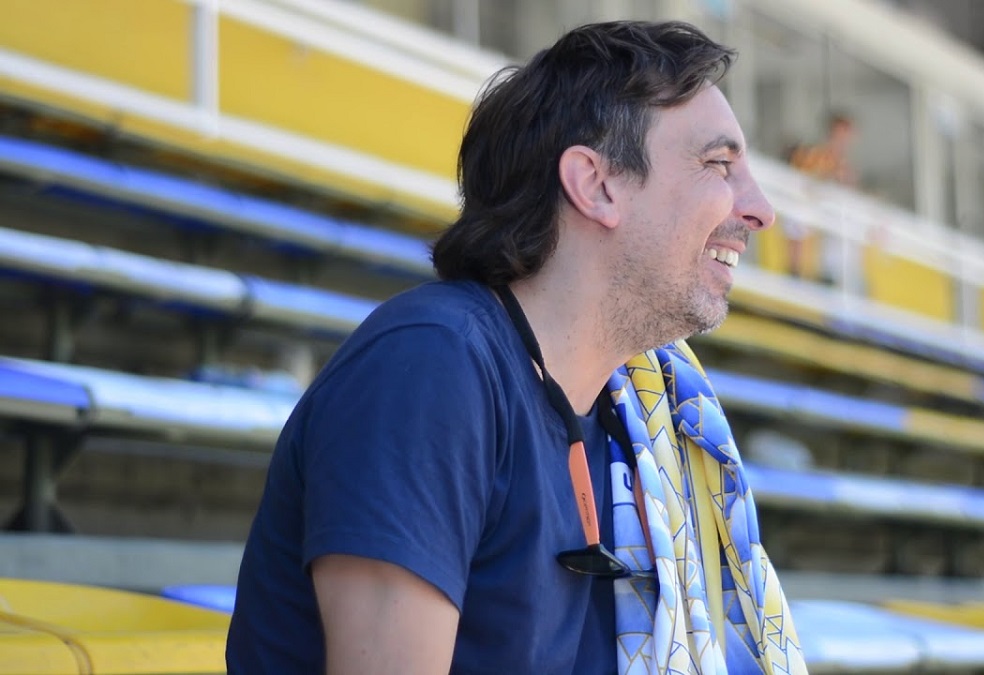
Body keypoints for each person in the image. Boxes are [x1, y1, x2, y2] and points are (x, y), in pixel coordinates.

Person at [226, 20, 806, 674]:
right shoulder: (432, 366)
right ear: (596, 184)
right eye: (719, 165)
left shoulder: (635, 414)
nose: (760, 209)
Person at [784, 113, 857, 282]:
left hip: (830, 211)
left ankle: (830, 275)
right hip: (811, 203)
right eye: (840, 133)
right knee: (798, 216)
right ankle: (795, 271)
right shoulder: (814, 154)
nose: (843, 140)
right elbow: (804, 182)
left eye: (846, 135)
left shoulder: (845, 165)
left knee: (844, 224)